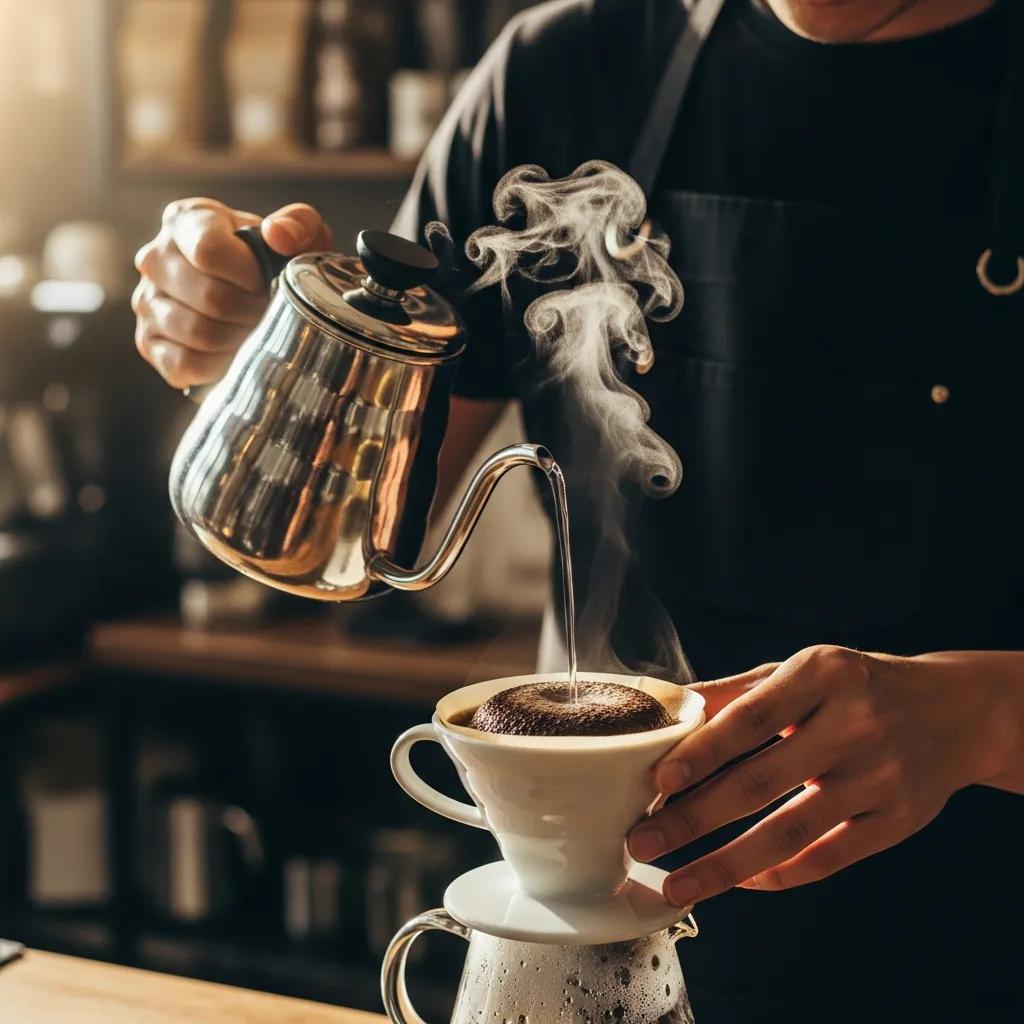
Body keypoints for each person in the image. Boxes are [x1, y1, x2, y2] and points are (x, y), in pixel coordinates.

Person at [133, 1, 1023, 1020]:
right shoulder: (565, 70)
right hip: (592, 959)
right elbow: (378, 515)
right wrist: (277, 356)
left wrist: (983, 717)